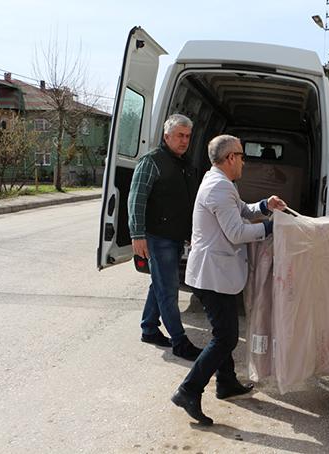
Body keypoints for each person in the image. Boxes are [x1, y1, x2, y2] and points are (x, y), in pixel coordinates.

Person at [171, 134, 286, 426]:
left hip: (218, 272)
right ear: (231, 158)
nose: (244, 161)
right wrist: (271, 228)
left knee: (225, 332)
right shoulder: (218, 188)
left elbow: (242, 212)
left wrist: (264, 206)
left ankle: (226, 382)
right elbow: (236, 232)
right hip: (213, 274)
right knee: (225, 338)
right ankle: (189, 389)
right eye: (242, 155)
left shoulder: (223, 184)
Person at [128, 113, 203, 361]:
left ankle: (149, 328)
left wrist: (192, 233)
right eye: (180, 136)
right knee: (168, 288)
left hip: (174, 236)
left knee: (159, 284)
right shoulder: (152, 161)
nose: (184, 141)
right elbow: (136, 199)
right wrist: (137, 234)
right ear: (166, 135)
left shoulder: (184, 163)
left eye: (188, 136)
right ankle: (180, 341)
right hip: (156, 236)